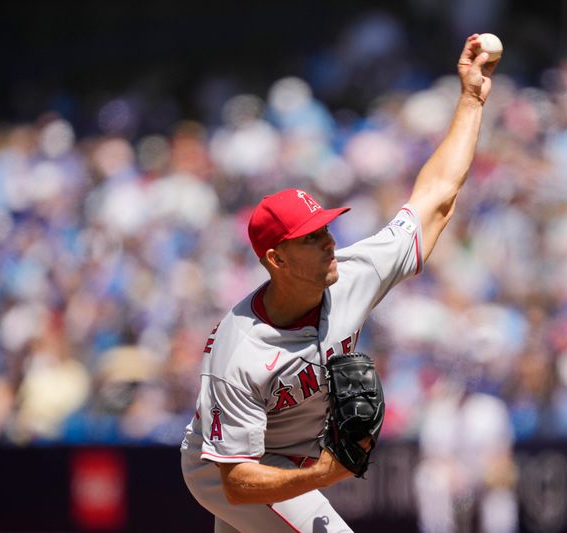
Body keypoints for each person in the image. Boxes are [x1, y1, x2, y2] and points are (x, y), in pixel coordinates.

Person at [181, 34, 500, 533]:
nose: (329, 241)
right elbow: (237, 482)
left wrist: (471, 98)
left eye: (326, 228)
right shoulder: (237, 349)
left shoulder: (354, 274)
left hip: (287, 461)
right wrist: (329, 471)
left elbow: (436, 196)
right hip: (227, 468)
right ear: (276, 258)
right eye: (310, 238)